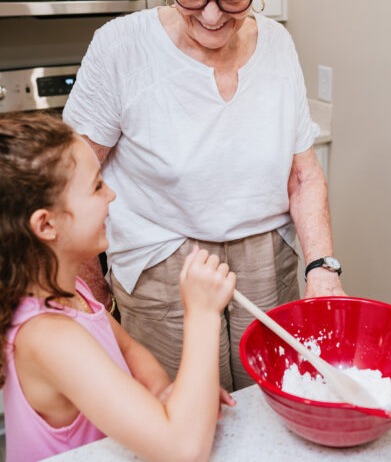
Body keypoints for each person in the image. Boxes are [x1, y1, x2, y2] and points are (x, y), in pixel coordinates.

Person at [62, 0, 345, 392]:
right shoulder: (121, 48)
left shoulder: (279, 44)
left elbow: (304, 177)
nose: (213, 15)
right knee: (186, 419)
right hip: (164, 267)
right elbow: (73, 184)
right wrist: (94, 299)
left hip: (269, 261)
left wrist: (321, 267)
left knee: (274, 402)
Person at [0, 112, 236, 462]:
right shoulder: (48, 336)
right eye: (96, 186)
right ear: (46, 224)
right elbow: (184, 451)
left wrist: (167, 394)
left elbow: (127, 351)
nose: (111, 194)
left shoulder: (67, 291)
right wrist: (202, 313)